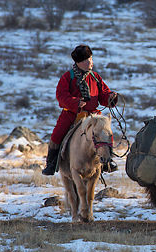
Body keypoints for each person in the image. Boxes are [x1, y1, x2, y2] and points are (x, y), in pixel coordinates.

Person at [42, 44, 120, 176]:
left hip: (93, 116)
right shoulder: (67, 77)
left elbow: (103, 95)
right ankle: (51, 163)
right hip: (72, 114)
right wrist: (76, 102)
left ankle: (107, 161)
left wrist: (110, 97)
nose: (91, 62)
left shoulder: (95, 77)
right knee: (56, 135)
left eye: (91, 59)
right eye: (87, 60)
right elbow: (61, 96)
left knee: (105, 132)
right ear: (80, 62)